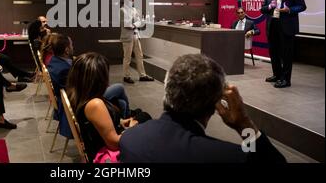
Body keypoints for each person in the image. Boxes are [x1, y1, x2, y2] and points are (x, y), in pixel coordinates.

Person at [119, 54, 287, 163]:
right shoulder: (228, 156)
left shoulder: (130, 138)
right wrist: (245, 125)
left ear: (167, 88)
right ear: (216, 104)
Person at [66, 52, 147, 162]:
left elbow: (94, 127)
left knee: (139, 114)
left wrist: (120, 122)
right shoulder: (95, 104)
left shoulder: (79, 95)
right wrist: (132, 129)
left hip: (100, 143)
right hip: (105, 153)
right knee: (144, 118)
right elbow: (114, 144)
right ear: (98, 79)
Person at [261, 0, 306, 88]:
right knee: (273, 52)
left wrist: (289, 10)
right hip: (273, 25)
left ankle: (286, 79)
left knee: (286, 54)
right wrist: (270, 6)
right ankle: (277, 75)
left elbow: (302, 6)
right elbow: (262, 9)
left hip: (287, 26)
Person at [120, 0, 154, 84]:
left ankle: (142, 75)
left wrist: (134, 24)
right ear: (126, 0)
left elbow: (140, 22)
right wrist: (136, 24)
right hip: (128, 37)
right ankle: (126, 76)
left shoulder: (134, 10)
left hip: (136, 35)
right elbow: (127, 25)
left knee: (140, 56)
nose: (133, 1)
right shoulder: (122, 10)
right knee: (127, 57)